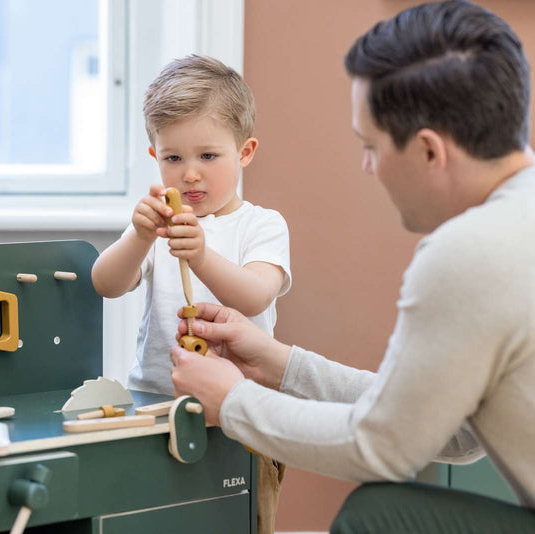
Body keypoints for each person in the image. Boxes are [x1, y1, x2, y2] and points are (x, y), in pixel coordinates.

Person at [169, 1, 535, 532]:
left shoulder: (468, 254)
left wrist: (233, 403)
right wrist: (275, 362)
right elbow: (443, 429)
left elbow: (381, 447)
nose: (367, 166)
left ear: (430, 152)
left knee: (377, 515)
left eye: (370, 146)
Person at [92, 54, 291, 395]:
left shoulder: (262, 225)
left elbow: (255, 297)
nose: (190, 174)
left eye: (208, 156)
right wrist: (139, 238)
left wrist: (200, 256)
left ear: (245, 152)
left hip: (240, 401)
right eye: (173, 158)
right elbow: (106, 284)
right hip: (155, 396)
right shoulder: (157, 224)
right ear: (155, 156)